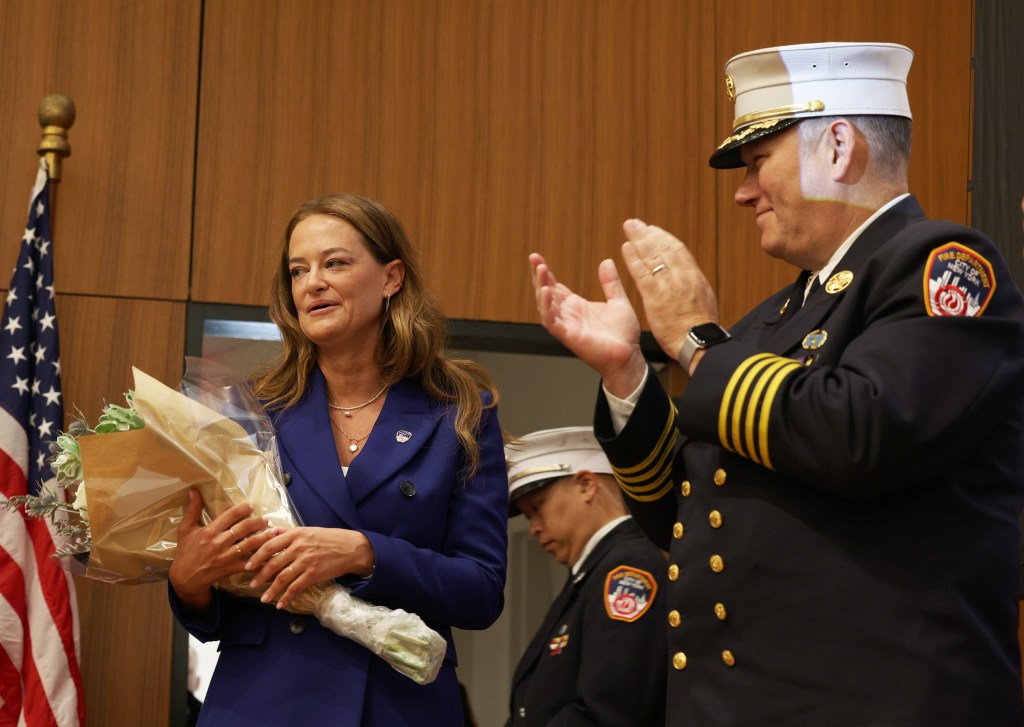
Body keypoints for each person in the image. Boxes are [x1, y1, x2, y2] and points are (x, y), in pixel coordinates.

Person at [530, 41, 1024, 724]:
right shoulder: (772, 320)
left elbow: (863, 432)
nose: (742, 190)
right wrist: (626, 374)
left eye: (759, 162)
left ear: (840, 146)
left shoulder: (944, 266)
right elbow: (684, 513)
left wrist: (699, 342)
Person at [168, 193, 509, 725]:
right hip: (264, 701)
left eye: (335, 263)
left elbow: (482, 591)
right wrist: (189, 583)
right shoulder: (247, 411)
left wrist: (365, 552)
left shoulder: (459, 414)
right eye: (298, 270)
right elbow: (221, 609)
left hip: (394, 704)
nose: (312, 283)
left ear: (391, 277)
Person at [505, 427, 666, 726]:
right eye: (529, 516)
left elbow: (610, 709)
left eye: (538, 508)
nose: (534, 528)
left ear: (586, 485)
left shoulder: (627, 570)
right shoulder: (592, 572)